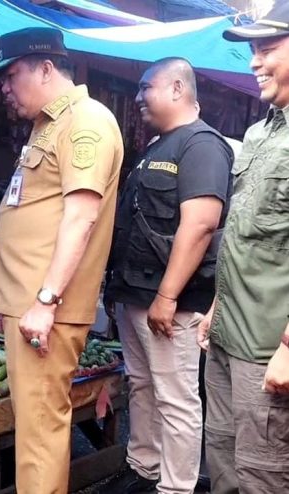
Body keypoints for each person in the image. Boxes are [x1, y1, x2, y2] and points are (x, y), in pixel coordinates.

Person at [0, 27, 123, 493]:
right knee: (36, 429)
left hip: (47, 309)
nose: (4, 86)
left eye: (11, 73)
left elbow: (81, 216)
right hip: (28, 305)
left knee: (40, 433)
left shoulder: (86, 121)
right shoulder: (49, 124)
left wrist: (45, 299)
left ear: (45, 68)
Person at [104, 58, 233, 494]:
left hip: (169, 303)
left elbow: (200, 225)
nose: (138, 97)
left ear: (177, 88)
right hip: (134, 294)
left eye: (146, 88)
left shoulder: (201, 145)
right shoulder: (157, 147)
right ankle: (143, 469)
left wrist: (167, 295)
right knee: (141, 387)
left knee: (175, 399)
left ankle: (175, 487)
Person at [195, 5, 289, 492]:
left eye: (268, 48)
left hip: (268, 347)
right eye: (253, 49)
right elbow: (247, 233)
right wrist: (215, 307)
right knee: (224, 464)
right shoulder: (259, 131)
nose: (254, 61)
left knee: (264, 477)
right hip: (229, 338)